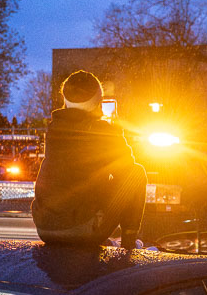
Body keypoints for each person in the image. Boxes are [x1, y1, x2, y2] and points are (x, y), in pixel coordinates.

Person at [32, 71, 147, 248]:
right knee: (136, 173)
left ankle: (94, 233)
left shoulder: (54, 129)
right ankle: (130, 243)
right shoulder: (103, 131)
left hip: (46, 229)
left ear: (65, 101)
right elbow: (126, 170)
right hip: (83, 229)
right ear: (98, 103)